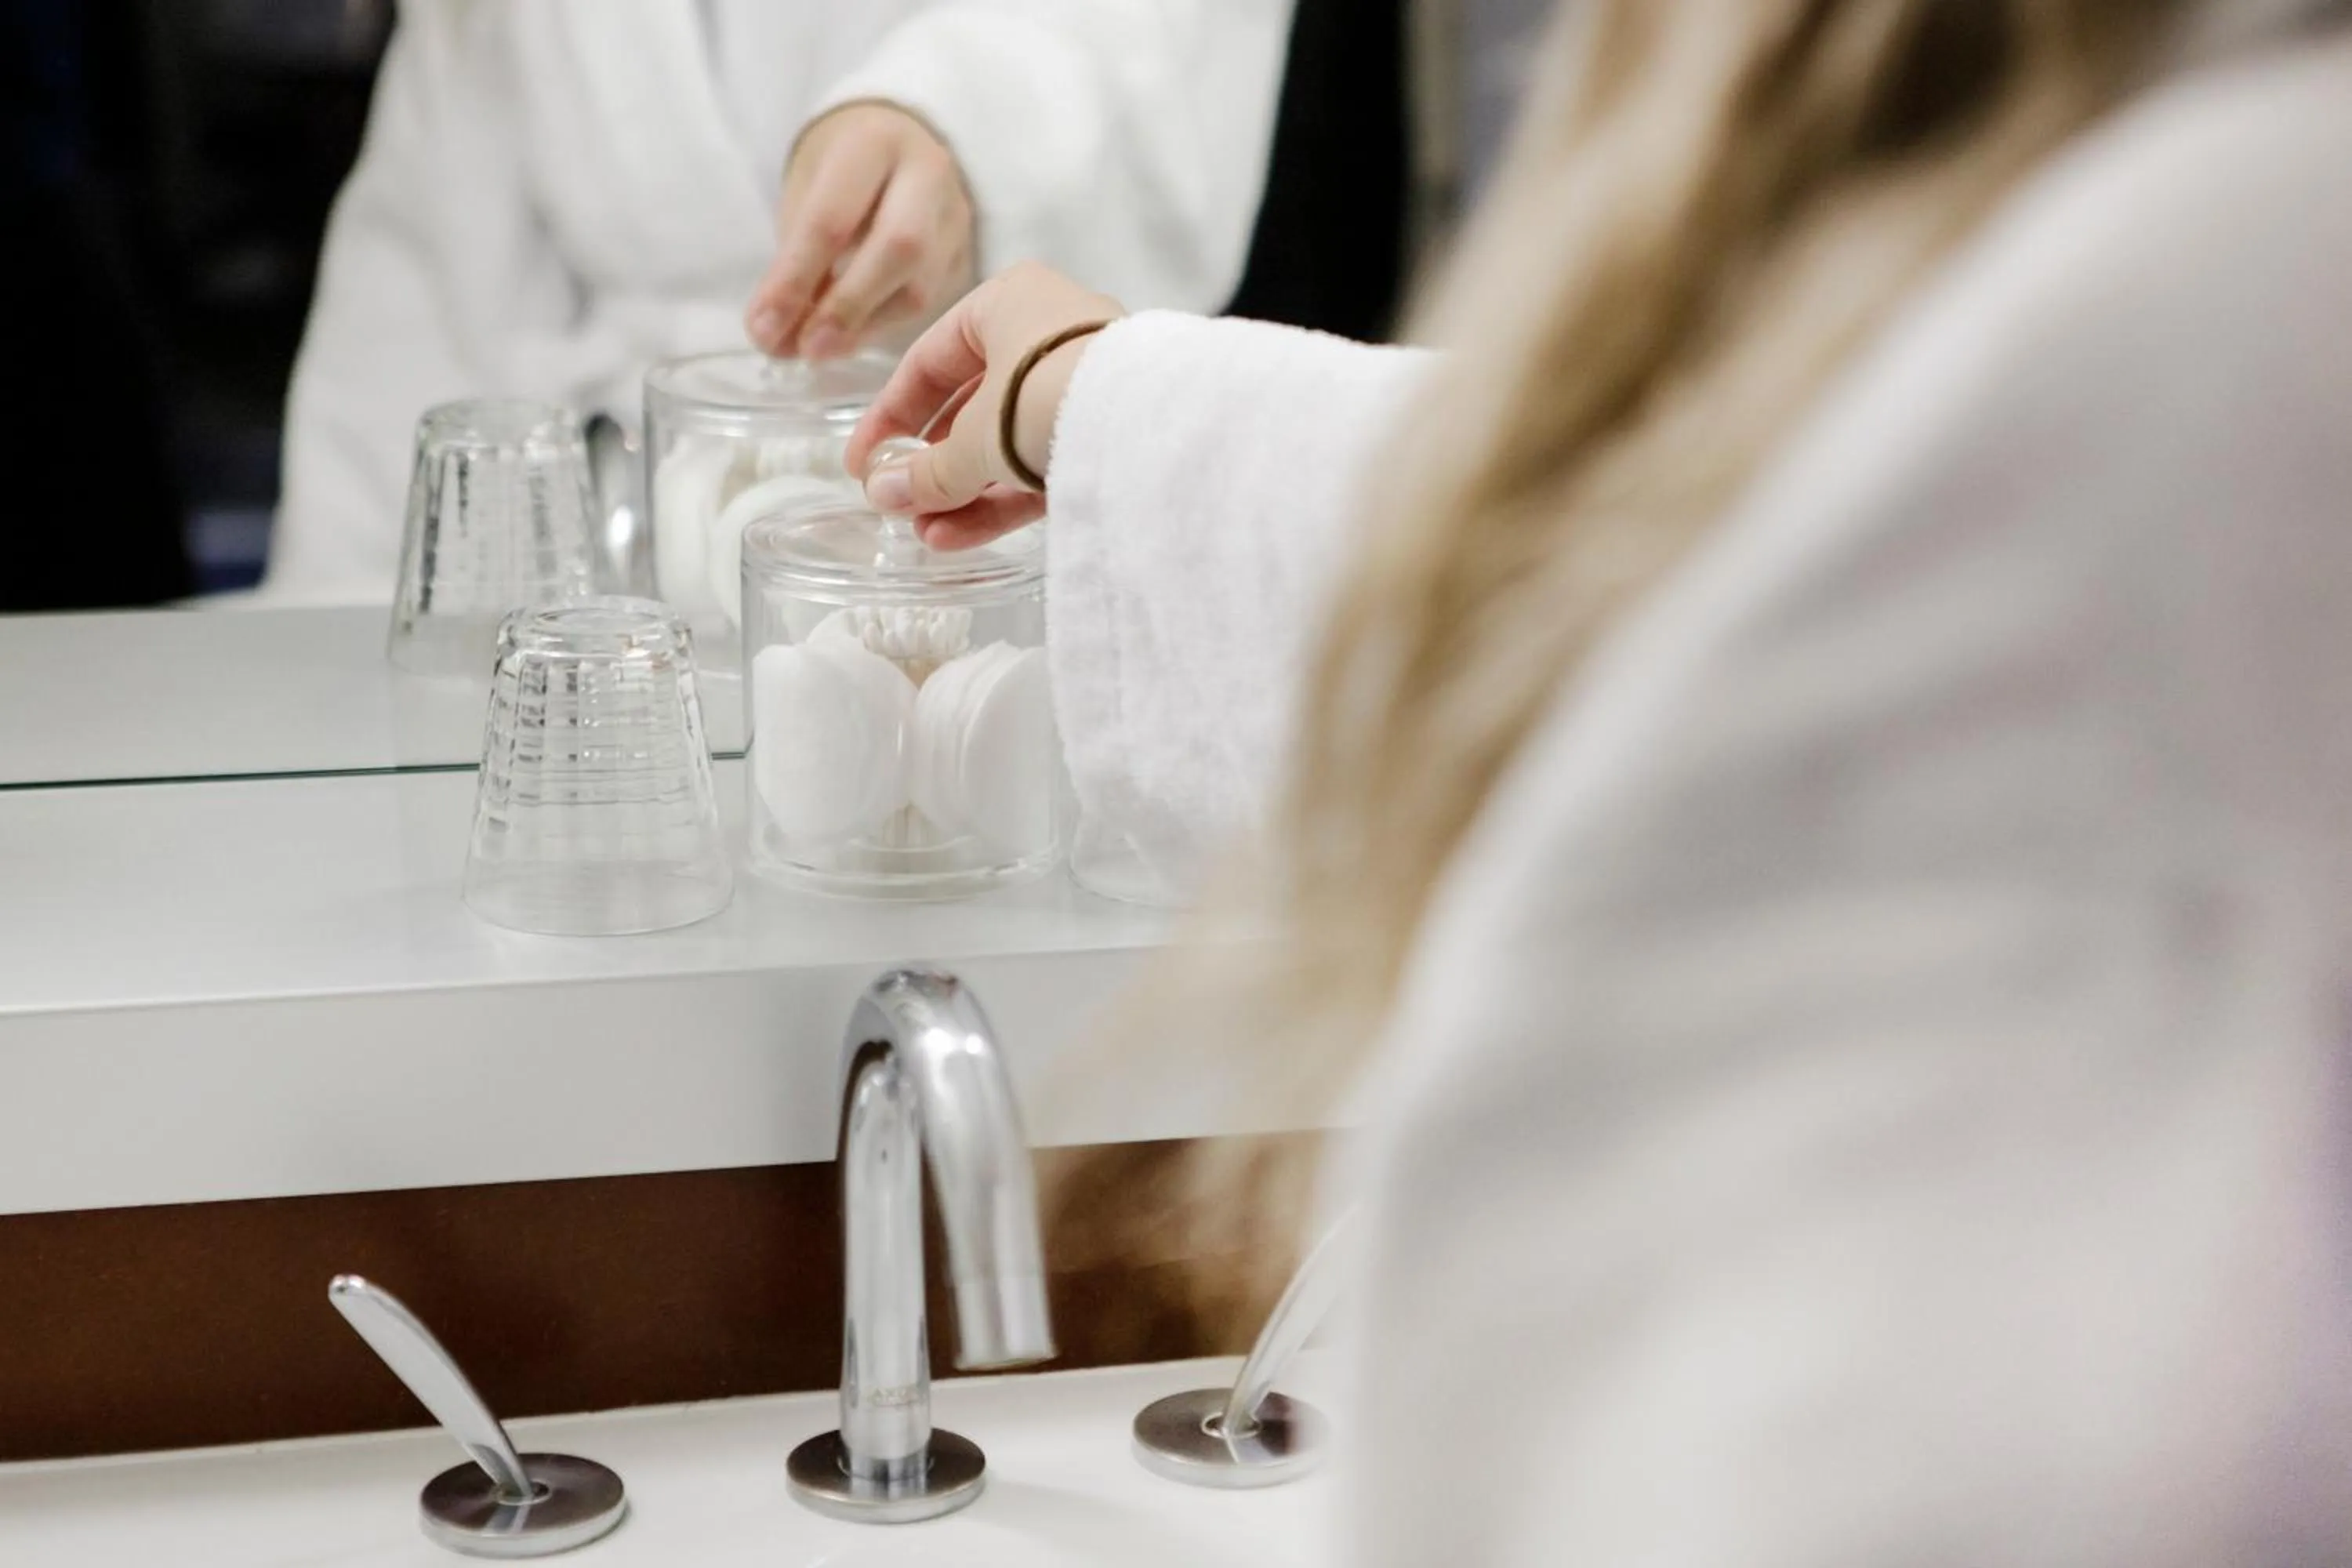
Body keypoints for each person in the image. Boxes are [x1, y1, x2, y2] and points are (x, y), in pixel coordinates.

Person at [851, 2, 2352, 1563]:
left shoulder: (2229, 265)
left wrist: (1105, 402)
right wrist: (1096, 401)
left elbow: (1720, 567)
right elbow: (1697, 526)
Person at [261, 0, 1292, 602]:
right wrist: (348, 615)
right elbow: (435, 246)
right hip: (603, 580)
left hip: (977, 523)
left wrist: (969, 123)